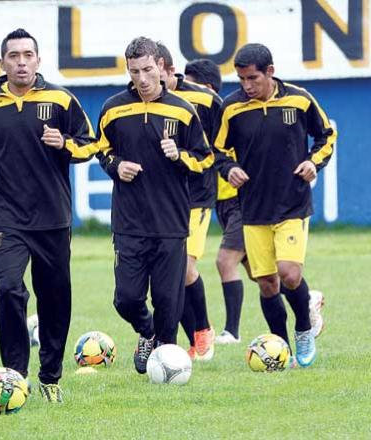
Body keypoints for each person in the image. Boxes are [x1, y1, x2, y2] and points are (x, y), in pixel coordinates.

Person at [0, 28, 97, 403]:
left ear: (38, 60)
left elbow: (89, 143)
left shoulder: (61, 99)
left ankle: (51, 375)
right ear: (2, 62)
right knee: (8, 288)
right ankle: (14, 375)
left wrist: (65, 144)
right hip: (6, 216)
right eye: (14, 56)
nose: (21, 62)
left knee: (54, 296)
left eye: (28, 55)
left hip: (53, 216)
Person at [212, 43, 336, 367]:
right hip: (253, 209)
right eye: (241, 79)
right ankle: (280, 350)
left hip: (292, 204)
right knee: (267, 283)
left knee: (289, 274)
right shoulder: (232, 108)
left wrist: (313, 162)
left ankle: (304, 328)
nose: (247, 86)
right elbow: (217, 151)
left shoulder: (299, 99)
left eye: (252, 78)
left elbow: (327, 136)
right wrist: (229, 168)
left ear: (270, 71)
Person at [96, 37, 214, 374]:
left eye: (148, 69)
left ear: (160, 67)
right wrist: (116, 165)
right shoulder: (113, 109)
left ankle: (165, 359)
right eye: (135, 71)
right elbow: (101, 149)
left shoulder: (182, 110)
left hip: (172, 222)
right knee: (126, 299)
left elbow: (204, 159)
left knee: (168, 301)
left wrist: (181, 157)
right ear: (128, 71)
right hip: (129, 222)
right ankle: (146, 332)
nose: (143, 78)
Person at [156, 45, 219, 361]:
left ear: (168, 70)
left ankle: (204, 330)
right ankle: (191, 342)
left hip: (197, 195)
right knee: (169, 272)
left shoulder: (205, 100)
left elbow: (225, 139)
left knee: (184, 267)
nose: (149, 80)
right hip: (163, 198)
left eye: (155, 73)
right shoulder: (140, 102)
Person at [185, 58, 247, 345]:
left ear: (207, 88)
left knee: (225, 261)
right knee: (261, 275)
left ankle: (230, 333)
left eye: (190, 84)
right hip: (222, 203)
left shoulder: (223, 119)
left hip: (242, 201)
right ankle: (306, 299)